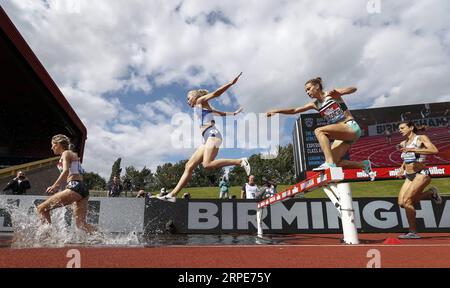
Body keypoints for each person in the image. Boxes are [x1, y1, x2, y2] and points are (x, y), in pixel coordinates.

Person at [157, 73, 251, 202]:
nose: (187, 100)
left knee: (207, 164)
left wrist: (230, 83)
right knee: (189, 166)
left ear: (196, 96)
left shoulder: (201, 101)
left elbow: (216, 94)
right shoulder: (204, 107)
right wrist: (233, 113)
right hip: (206, 138)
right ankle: (172, 195)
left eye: (188, 97)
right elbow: (221, 113)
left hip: (213, 134)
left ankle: (240, 161)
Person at [266, 77, 375, 180]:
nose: (307, 92)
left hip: (350, 126)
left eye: (308, 89)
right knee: (336, 161)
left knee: (319, 131)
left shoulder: (332, 94)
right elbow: (295, 110)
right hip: (342, 136)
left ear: (317, 86)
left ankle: (329, 164)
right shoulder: (315, 105)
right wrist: (276, 111)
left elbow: (354, 89)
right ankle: (363, 164)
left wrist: (341, 92)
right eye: (306, 91)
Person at [36, 134, 95, 233]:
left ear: (58, 144)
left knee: (41, 208)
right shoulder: (71, 154)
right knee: (81, 224)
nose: (51, 148)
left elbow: (66, 171)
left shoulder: (66, 153)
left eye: (53, 145)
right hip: (82, 188)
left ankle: (48, 237)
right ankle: (103, 239)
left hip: (75, 186)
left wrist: (55, 186)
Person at [396, 122, 442, 239]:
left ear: (410, 128)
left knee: (407, 201)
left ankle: (413, 232)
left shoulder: (420, 138)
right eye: (399, 129)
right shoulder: (403, 143)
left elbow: (434, 150)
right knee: (402, 203)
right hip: (409, 176)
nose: (399, 130)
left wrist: (413, 150)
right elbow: (406, 158)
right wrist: (402, 169)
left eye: (402, 128)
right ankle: (430, 193)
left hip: (421, 174)